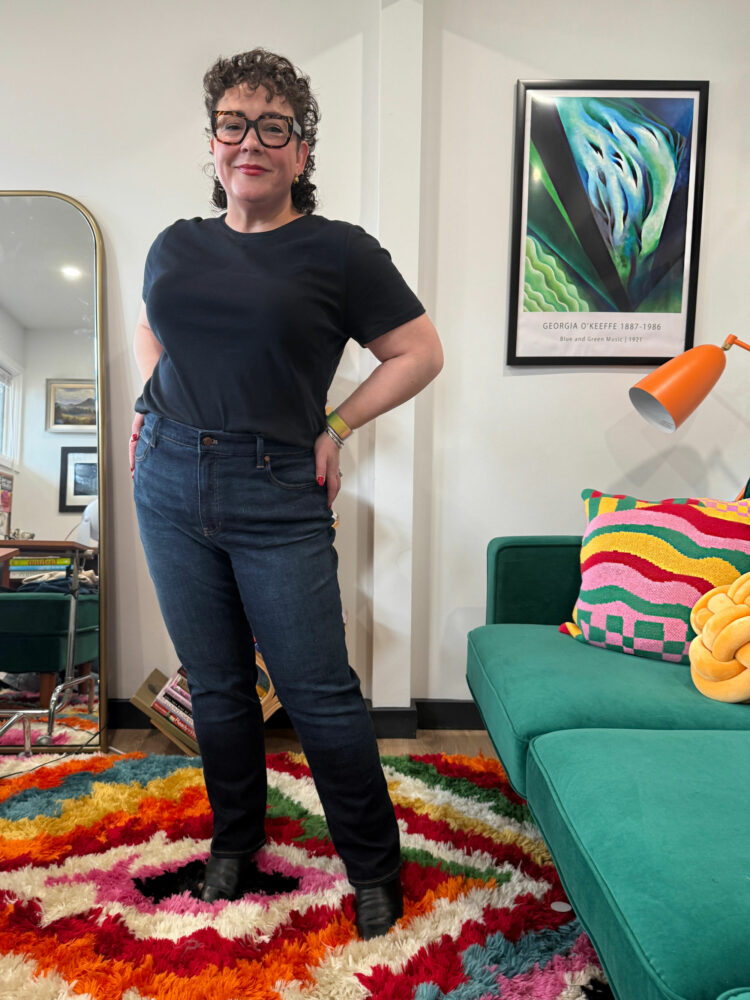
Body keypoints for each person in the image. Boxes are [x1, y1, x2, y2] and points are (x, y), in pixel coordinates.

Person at [129, 48, 442, 940]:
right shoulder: (176, 243)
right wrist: (151, 403)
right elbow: (152, 323)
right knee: (218, 686)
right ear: (214, 141)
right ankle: (236, 845)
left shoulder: (337, 252)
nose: (251, 142)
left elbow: (419, 353)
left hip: (277, 487)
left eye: (275, 127)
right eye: (235, 123)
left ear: (302, 151)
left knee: (318, 691)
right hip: (169, 482)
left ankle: (373, 866)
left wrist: (336, 429)